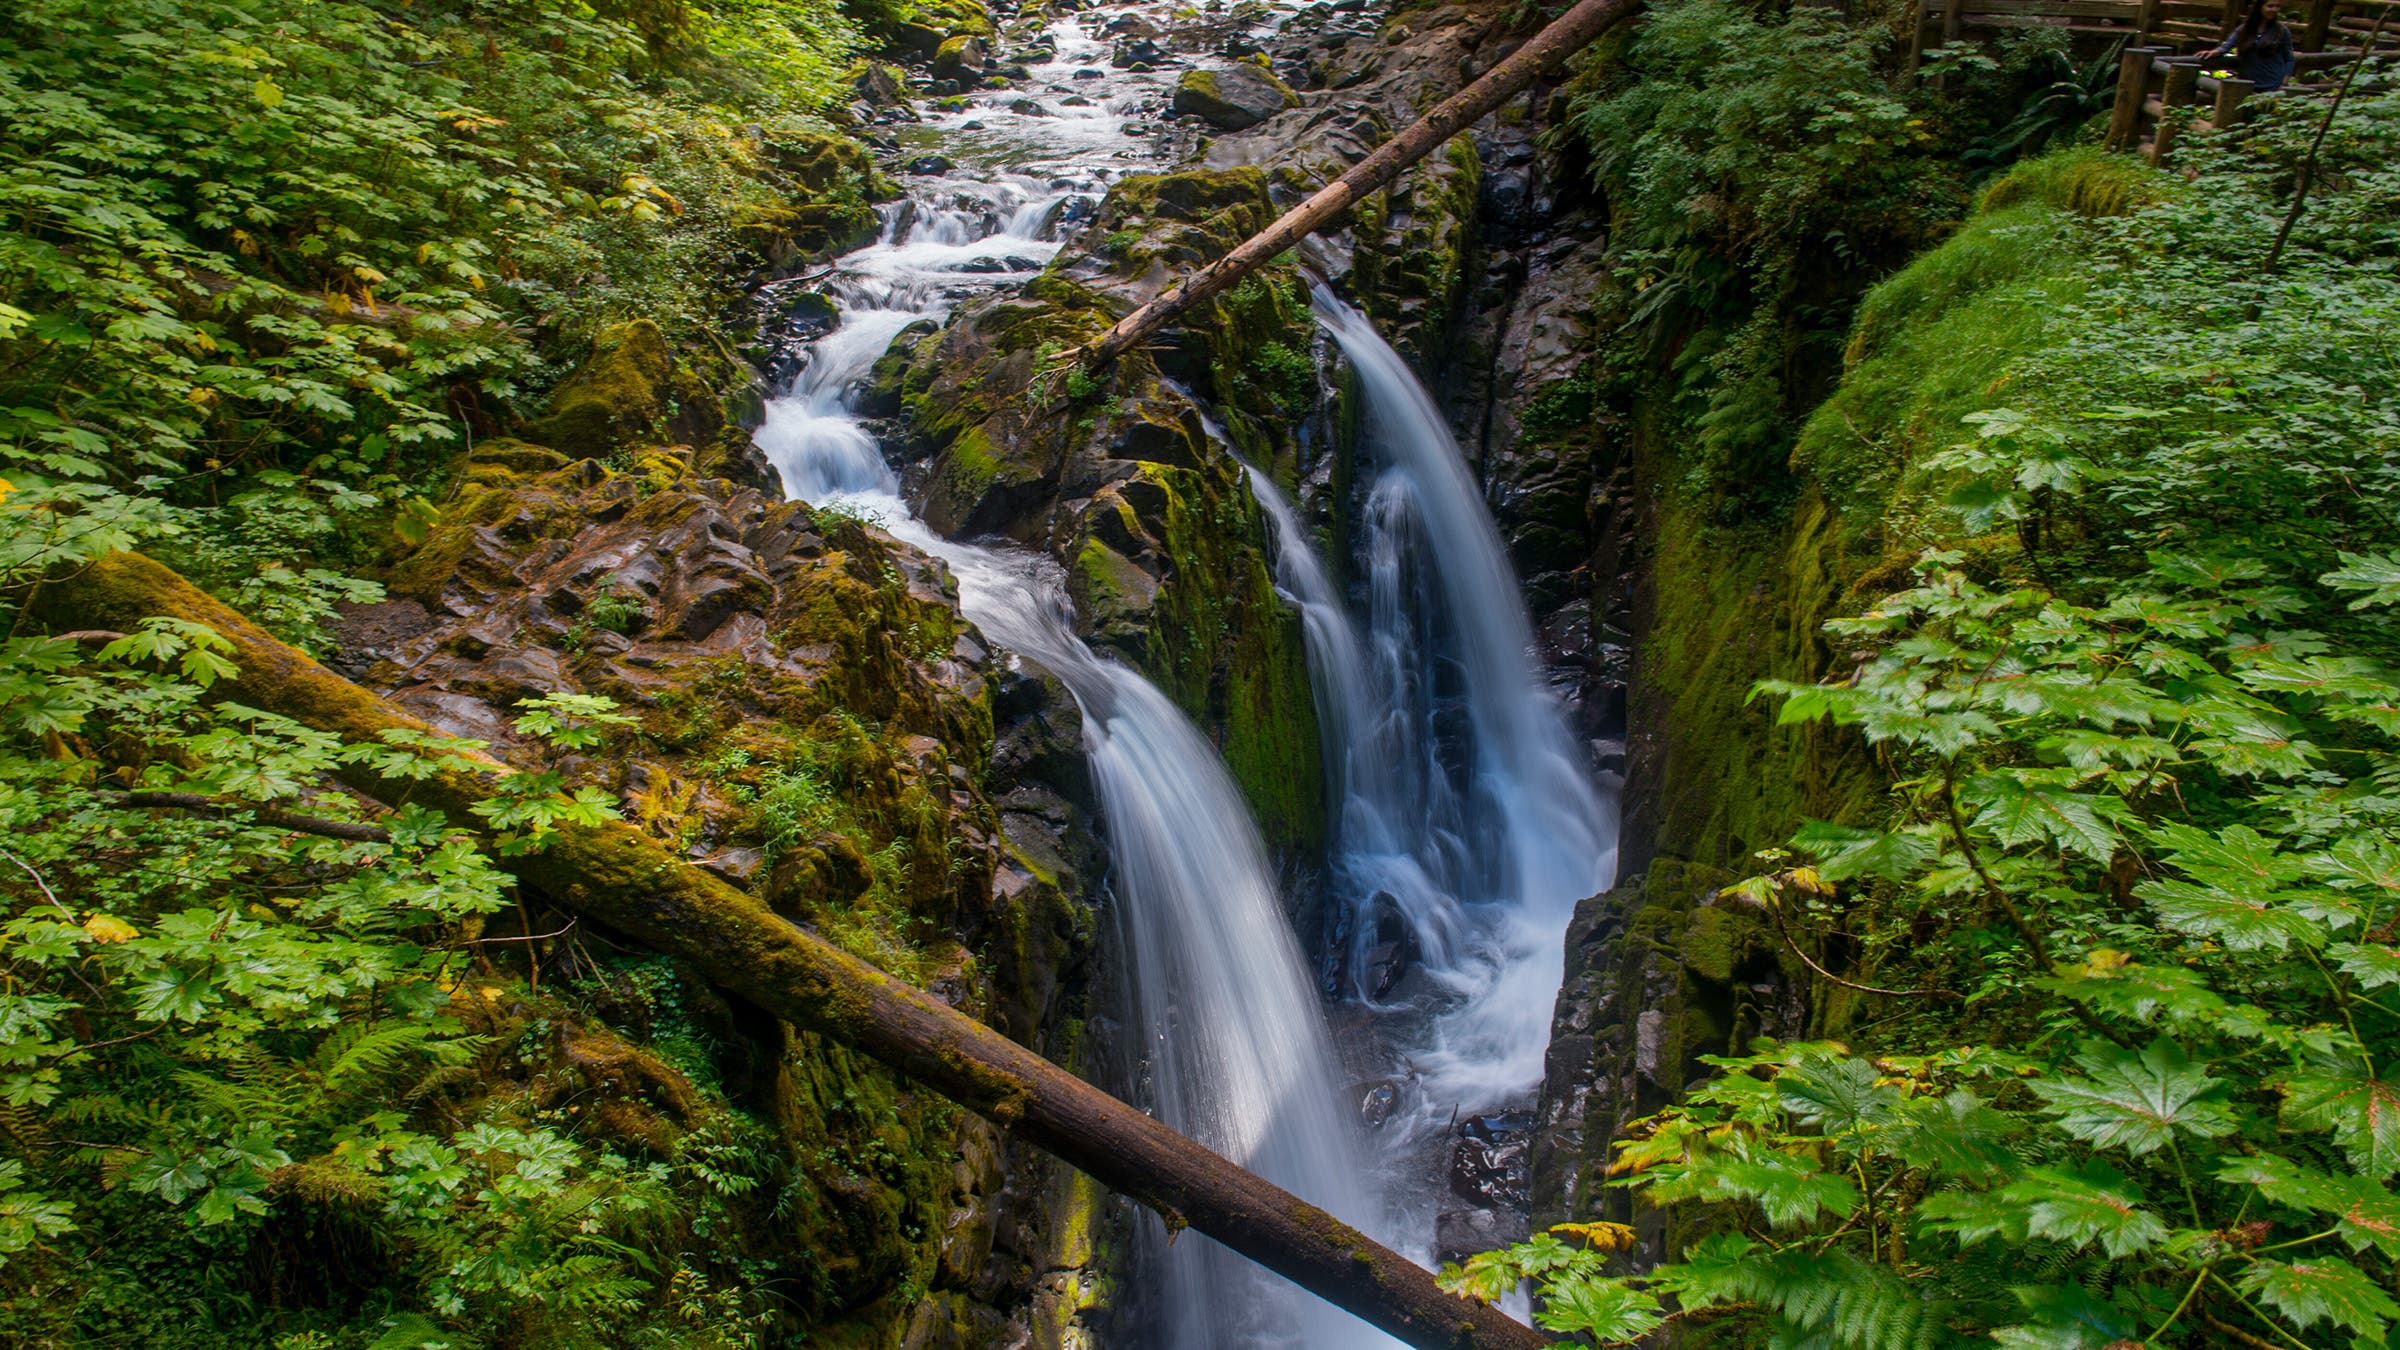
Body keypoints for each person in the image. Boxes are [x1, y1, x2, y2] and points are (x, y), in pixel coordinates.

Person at [2206, 0, 2298, 92]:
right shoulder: (2245, 28)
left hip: (2272, 84)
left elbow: (2289, 59)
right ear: (2259, 7)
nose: (2274, 9)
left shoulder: (2281, 30)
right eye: (2270, 6)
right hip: (2246, 83)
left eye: (2277, 6)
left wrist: (2284, 83)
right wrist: (2214, 52)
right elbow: (2227, 46)